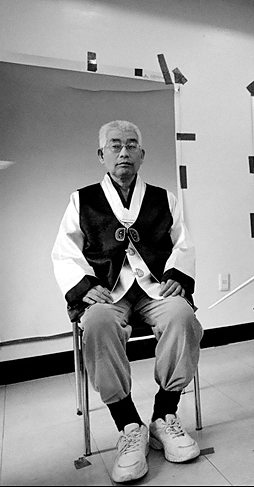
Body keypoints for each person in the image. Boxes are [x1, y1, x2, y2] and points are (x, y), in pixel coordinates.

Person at [52, 120, 203, 483]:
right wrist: (84, 287)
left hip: (154, 291)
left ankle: (164, 416)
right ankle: (129, 425)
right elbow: (64, 251)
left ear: (142, 155)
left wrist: (176, 276)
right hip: (107, 293)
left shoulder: (164, 198)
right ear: (101, 154)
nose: (124, 152)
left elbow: (183, 243)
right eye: (115, 145)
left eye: (132, 145)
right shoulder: (82, 200)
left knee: (182, 317)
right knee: (97, 323)